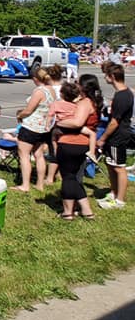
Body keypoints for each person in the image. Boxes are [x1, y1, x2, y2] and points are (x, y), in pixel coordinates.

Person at [52, 75, 101, 219]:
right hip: (83, 144)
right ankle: (86, 210)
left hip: (71, 142)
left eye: (77, 83)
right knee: (73, 178)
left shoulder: (85, 103)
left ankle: (68, 212)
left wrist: (58, 123)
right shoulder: (93, 102)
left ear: (83, 87)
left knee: (67, 177)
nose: (75, 84)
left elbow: (77, 123)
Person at [13, 67, 56, 192]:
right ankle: (40, 184)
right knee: (39, 154)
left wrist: (19, 115)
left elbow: (29, 110)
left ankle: (25, 185)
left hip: (31, 127)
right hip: (43, 127)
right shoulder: (51, 90)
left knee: (24, 155)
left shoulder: (39, 91)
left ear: (36, 79)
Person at [97, 64, 132, 210]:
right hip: (115, 136)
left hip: (118, 135)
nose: (105, 77)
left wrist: (103, 138)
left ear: (112, 77)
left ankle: (120, 200)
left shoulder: (122, 96)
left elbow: (114, 122)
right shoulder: (123, 93)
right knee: (110, 163)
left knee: (119, 167)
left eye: (106, 75)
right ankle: (113, 192)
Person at [48, 83, 98, 162]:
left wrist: (49, 125)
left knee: (54, 137)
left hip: (62, 126)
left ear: (61, 94)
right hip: (75, 127)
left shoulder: (56, 104)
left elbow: (50, 115)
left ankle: (55, 151)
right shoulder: (76, 104)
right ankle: (92, 152)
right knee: (92, 134)